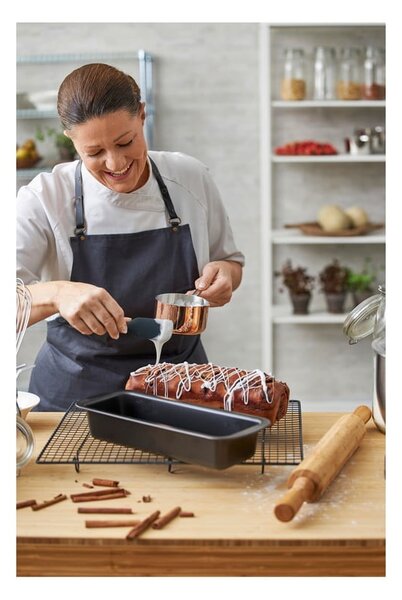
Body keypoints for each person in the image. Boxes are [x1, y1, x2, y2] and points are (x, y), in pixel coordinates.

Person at [16, 63, 244, 411]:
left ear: (141, 115)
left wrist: (225, 276)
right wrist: (57, 293)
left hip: (180, 386)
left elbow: (229, 261)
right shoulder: (44, 198)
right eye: (94, 153)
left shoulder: (190, 178)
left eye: (126, 141)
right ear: (71, 140)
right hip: (75, 399)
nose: (116, 162)